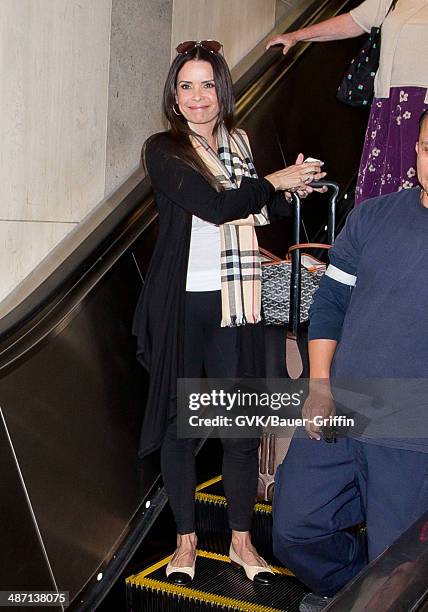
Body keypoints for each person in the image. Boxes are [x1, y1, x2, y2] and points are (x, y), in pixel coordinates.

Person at [132, 39, 326, 585]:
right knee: (180, 426)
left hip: (233, 303)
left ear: (223, 91)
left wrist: (290, 187)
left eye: (207, 85)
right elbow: (218, 206)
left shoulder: (238, 142)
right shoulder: (163, 149)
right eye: (186, 86)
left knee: (238, 427)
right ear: (174, 93)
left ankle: (242, 540)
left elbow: (253, 206)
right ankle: (186, 540)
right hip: (181, 305)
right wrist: (272, 184)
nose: (197, 97)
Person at [272, 108, 428, 612]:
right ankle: (351, 590)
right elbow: (331, 303)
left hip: (412, 432)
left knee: (398, 568)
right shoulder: (372, 215)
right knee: (295, 529)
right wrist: (318, 384)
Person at [266, 0, 428, 205]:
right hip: (389, 105)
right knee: (383, 189)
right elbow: (353, 21)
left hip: (422, 106)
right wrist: (296, 36)